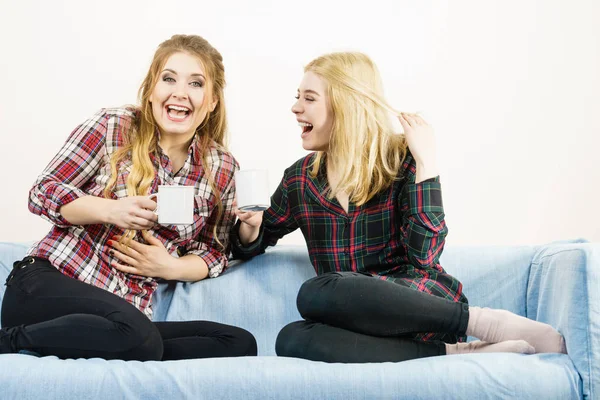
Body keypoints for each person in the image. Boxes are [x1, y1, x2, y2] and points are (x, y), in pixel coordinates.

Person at [230, 52, 566, 363]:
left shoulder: (401, 158)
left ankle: (485, 323)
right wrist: (251, 226)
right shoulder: (300, 180)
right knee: (291, 340)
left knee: (316, 293)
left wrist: (426, 165)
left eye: (309, 98)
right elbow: (252, 242)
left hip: (417, 305)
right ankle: (457, 352)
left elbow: (424, 257)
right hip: (356, 323)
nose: (296, 108)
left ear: (345, 105)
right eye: (297, 97)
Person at [0, 34, 257, 361]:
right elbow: (43, 192)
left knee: (238, 341)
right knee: (137, 335)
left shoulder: (221, 167)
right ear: (151, 91)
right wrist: (110, 210)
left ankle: (126, 344)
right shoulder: (113, 125)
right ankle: (7, 341)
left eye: (195, 83)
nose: (179, 93)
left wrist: (172, 267)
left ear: (212, 101)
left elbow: (214, 251)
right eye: (168, 79)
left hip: (123, 314)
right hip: (47, 285)